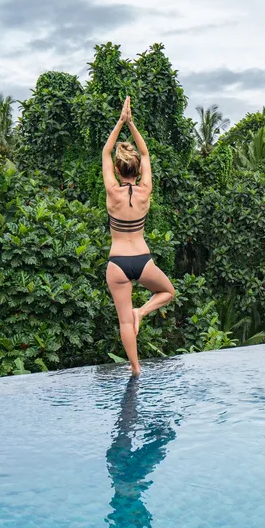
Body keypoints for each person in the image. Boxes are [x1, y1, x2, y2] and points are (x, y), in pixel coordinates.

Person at [103, 96, 175, 377]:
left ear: (119, 171)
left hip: (118, 262)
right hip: (142, 260)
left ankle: (135, 369)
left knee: (124, 321)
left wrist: (120, 121)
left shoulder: (112, 191)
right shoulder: (145, 190)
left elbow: (106, 152)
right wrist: (132, 124)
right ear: (138, 171)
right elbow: (145, 154)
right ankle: (142, 312)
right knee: (167, 291)